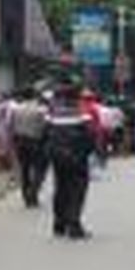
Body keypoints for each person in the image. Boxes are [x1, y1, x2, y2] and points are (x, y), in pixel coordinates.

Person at [45, 83, 95, 240]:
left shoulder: (52, 112)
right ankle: (74, 226)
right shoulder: (82, 112)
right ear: (76, 96)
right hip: (77, 157)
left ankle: (59, 225)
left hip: (57, 157)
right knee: (77, 191)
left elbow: (45, 133)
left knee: (60, 189)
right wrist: (86, 154)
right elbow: (89, 135)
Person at [9, 87, 49, 208]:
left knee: (25, 169)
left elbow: (11, 126)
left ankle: (26, 196)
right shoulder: (41, 110)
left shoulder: (16, 109)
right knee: (40, 169)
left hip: (20, 142)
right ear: (34, 96)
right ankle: (33, 192)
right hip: (37, 142)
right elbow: (45, 127)